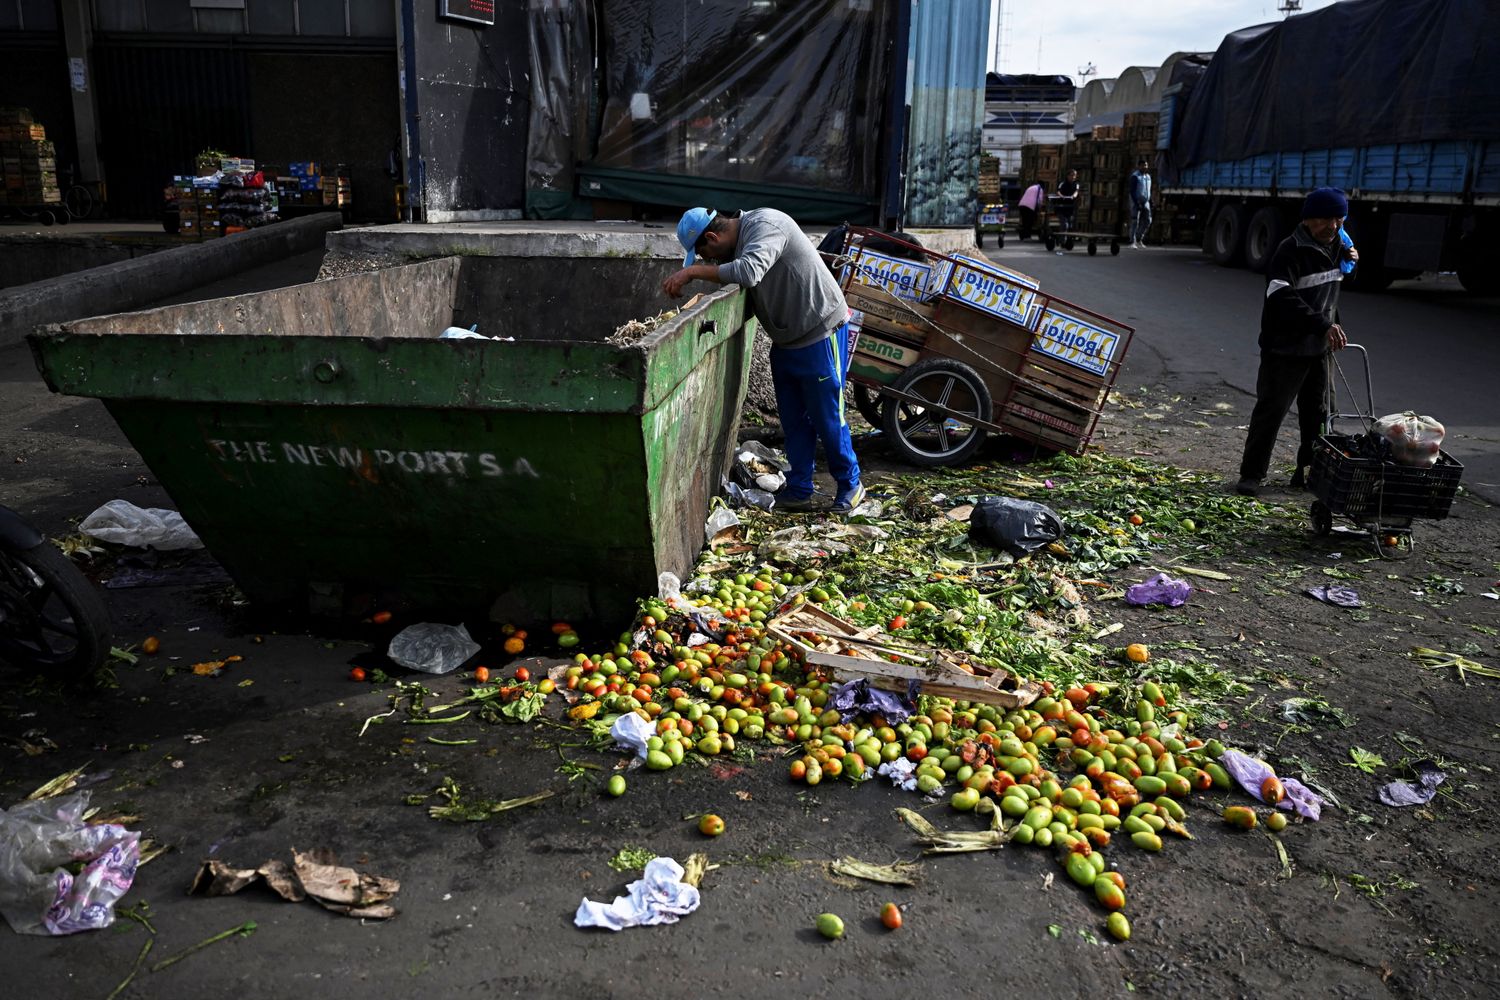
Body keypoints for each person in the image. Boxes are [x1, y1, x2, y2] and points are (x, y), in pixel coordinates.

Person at [663, 207, 864, 514]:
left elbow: (749, 272)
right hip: (786, 341)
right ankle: (800, 489)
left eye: (704, 255)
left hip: (820, 332)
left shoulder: (766, 225)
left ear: (714, 237)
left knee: (827, 417)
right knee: (794, 421)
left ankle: (851, 485)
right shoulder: (741, 242)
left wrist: (691, 273)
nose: (708, 263)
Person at [1235, 187, 1359, 497]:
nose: (1332, 227)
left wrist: (1351, 264)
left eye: (1338, 220)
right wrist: (1323, 324)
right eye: (1325, 220)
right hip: (1285, 347)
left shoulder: (1338, 247)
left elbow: (1331, 291)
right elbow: (1280, 296)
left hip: (1320, 348)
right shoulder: (1289, 250)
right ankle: (1252, 475)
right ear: (1308, 220)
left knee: (1319, 414)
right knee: (1272, 410)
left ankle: (1307, 472)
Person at [1128, 159, 1152, 247]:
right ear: (1139, 166)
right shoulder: (1135, 176)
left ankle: (1139, 238)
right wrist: (1136, 202)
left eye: (1146, 165)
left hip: (1146, 201)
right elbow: (1132, 191)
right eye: (1143, 165)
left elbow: (1149, 190)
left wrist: (1150, 201)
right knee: (1135, 221)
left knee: (1148, 220)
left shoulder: (1148, 177)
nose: (1145, 167)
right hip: (1136, 201)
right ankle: (1132, 241)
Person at [1055, 169, 1080, 234]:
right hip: (1061, 208)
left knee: (1070, 226)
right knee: (1064, 225)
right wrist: (1062, 196)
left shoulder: (1076, 184)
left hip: (1070, 208)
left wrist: (1073, 196)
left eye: (1074, 175)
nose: (1073, 177)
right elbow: (1058, 192)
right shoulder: (1062, 183)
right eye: (1072, 175)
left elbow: (1076, 192)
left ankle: (1067, 241)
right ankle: (1062, 240)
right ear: (1067, 176)